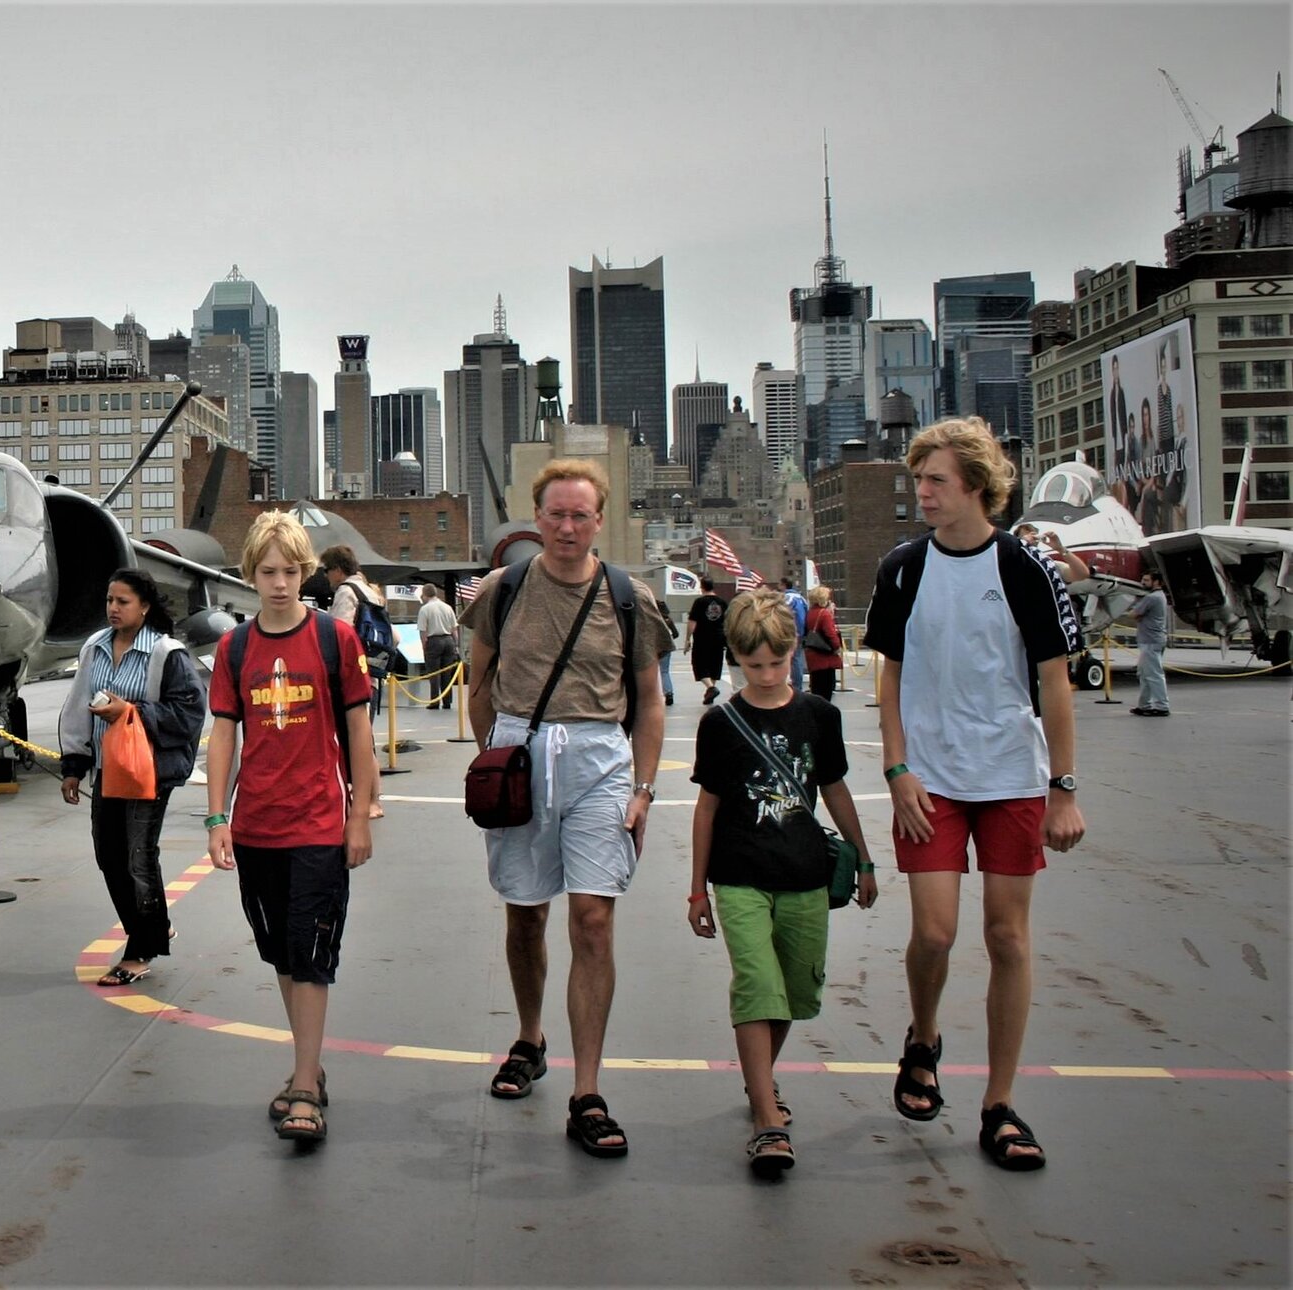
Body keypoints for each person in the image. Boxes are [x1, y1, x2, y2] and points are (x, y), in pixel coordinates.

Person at [868, 417, 1085, 1172]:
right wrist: (897, 769)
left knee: (1007, 937)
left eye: (936, 481)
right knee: (934, 933)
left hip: (1010, 776)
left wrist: (1062, 789)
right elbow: (890, 677)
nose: (922, 493)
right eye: (918, 480)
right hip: (930, 778)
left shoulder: (1026, 569)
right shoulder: (903, 569)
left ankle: (999, 1104)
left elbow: (1055, 681)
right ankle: (923, 1039)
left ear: (976, 487)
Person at [461, 459, 674, 1159]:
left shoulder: (629, 598)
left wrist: (644, 789)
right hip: (522, 753)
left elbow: (650, 701)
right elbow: (479, 681)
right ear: (538, 516)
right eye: (556, 513)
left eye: (580, 515)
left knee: (593, 920)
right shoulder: (504, 588)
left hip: (599, 762)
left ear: (599, 520)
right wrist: (493, 756)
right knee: (525, 913)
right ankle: (530, 1037)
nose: (567, 527)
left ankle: (588, 1091)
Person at [687, 590, 876, 1178]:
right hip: (739, 874)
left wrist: (865, 859)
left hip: (804, 874)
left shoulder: (819, 716)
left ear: (793, 651)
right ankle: (767, 1117)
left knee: (792, 992)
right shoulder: (720, 723)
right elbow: (706, 808)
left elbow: (834, 789)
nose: (767, 676)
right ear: (737, 660)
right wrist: (697, 888)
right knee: (756, 985)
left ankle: (759, 1081)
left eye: (776, 662)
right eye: (754, 665)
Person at [206, 511, 378, 1146]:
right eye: (267, 572)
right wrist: (217, 817)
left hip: (317, 824)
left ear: (306, 572)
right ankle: (309, 1065)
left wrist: (359, 815)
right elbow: (224, 734)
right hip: (257, 826)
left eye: (290, 571)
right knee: (282, 951)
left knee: (311, 955)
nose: (279, 584)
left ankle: (305, 1084)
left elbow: (358, 732)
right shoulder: (234, 649)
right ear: (250, 575)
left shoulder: (336, 640)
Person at [58, 569, 209, 986]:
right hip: (108, 770)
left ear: (144, 606)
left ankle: (141, 949)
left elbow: (189, 712)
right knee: (108, 854)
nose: (113, 608)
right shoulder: (95, 648)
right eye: (110, 600)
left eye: (123, 601)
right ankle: (154, 926)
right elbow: (77, 706)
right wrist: (74, 766)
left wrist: (131, 712)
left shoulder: (166, 653)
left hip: (148, 772)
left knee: (138, 856)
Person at [321, 544, 393, 817]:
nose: (326, 576)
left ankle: (371, 801)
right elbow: (394, 637)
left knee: (358, 741)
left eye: (327, 570)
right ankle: (372, 798)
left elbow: (338, 633)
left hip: (351, 679)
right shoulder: (371, 592)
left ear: (338, 570)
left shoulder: (346, 592)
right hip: (371, 674)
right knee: (365, 738)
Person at [1126, 568, 1170, 717]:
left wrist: (1136, 609)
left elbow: (1133, 614)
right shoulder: (1158, 596)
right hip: (1151, 640)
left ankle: (1162, 706)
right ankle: (1144, 705)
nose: (1142, 583)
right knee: (1145, 674)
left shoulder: (1152, 598)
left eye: (1146, 580)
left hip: (1151, 641)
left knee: (1154, 674)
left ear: (1156, 582)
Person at [417, 583, 461, 709]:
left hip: (434, 641)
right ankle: (447, 701)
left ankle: (435, 701)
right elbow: (454, 629)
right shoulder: (447, 607)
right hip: (448, 640)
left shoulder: (425, 609)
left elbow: (423, 632)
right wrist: (456, 645)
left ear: (425, 594)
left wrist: (424, 646)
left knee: (434, 673)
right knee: (447, 673)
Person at [687, 576, 729, 705]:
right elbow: (728, 621)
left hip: (702, 637)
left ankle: (711, 688)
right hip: (719, 637)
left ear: (702, 587)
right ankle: (710, 691)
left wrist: (687, 639)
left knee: (699, 664)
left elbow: (692, 621)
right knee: (715, 664)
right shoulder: (722, 602)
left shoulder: (699, 602)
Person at [802, 584, 844, 700]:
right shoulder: (824, 614)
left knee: (816, 688)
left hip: (812, 653)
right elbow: (830, 633)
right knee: (826, 690)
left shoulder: (810, 613)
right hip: (825, 656)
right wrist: (837, 646)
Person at [781, 577, 811, 692]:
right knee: (797, 658)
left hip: (790, 632)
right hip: (801, 632)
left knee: (790, 659)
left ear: (784, 585)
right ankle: (797, 685)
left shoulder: (787, 598)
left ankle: (795, 686)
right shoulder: (801, 598)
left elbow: (781, 614)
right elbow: (807, 614)